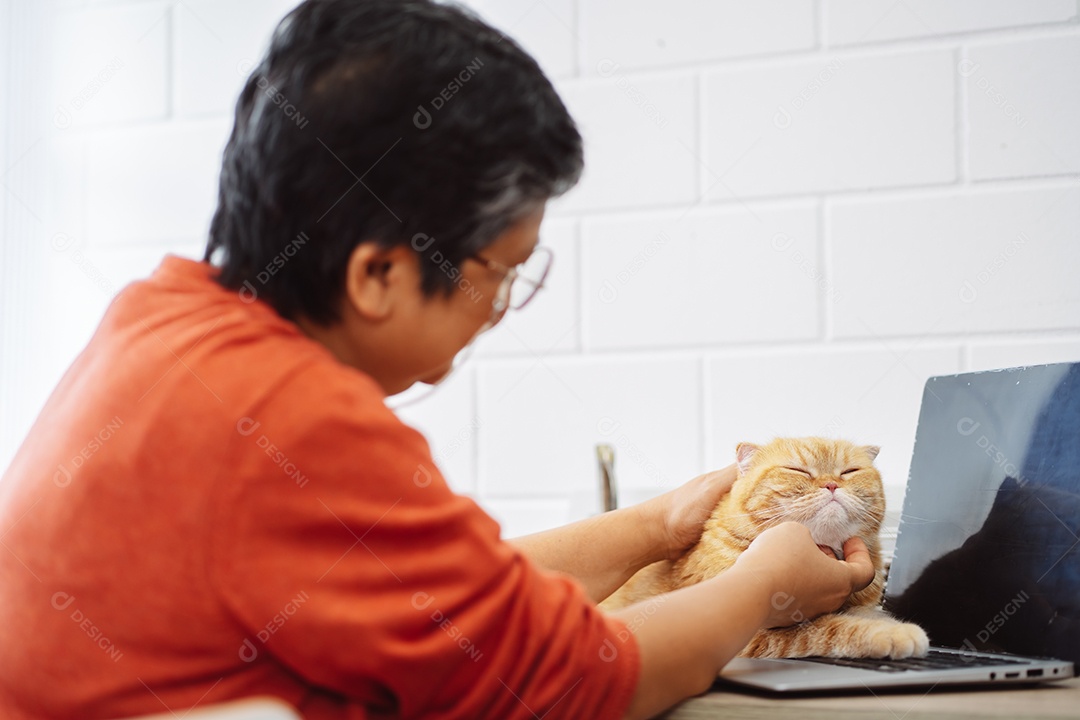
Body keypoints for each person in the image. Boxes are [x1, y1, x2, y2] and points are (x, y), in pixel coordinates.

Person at [0, 1, 875, 718]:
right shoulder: (291, 415)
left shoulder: (160, 319)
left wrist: (658, 527)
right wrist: (766, 586)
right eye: (501, 276)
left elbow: (458, 606)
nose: (498, 313)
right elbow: (578, 682)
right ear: (380, 272)